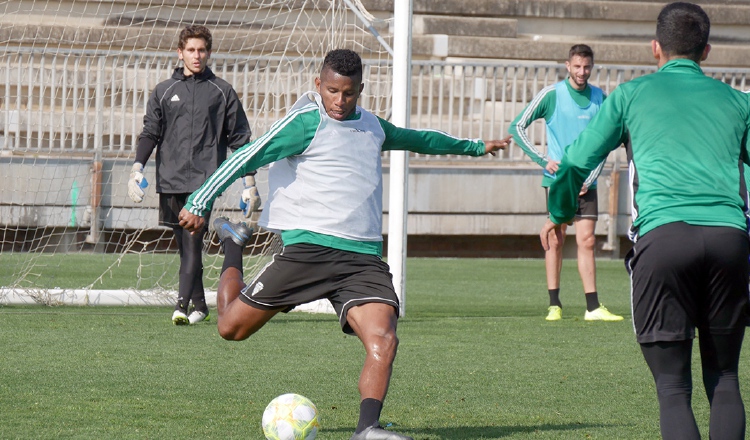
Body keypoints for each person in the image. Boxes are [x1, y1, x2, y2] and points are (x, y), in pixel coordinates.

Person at [178, 48, 511, 440]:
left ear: (361, 90)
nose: (339, 101)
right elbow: (248, 155)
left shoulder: (372, 127)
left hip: (362, 259)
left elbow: (419, 138)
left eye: (348, 93)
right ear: (318, 85)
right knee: (230, 328)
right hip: (308, 252)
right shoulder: (306, 122)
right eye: (332, 91)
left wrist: (474, 146)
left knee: (384, 338)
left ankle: (367, 429)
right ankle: (233, 244)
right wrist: (200, 199)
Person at [541, 3, 750, 439]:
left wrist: (560, 214)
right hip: (730, 239)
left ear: (655, 48)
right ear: (707, 51)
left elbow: (575, 163)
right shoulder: (737, 101)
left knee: (673, 389)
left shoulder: (629, 95)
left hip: (664, 239)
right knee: (726, 379)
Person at [127, 24, 260, 326]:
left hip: (205, 181)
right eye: (191, 50)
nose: (197, 55)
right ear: (180, 52)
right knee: (185, 245)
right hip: (170, 177)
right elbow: (150, 132)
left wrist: (248, 182)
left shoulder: (222, 91)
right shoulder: (164, 91)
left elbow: (239, 137)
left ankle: (181, 306)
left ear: (209, 53)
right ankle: (200, 305)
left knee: (191, 240)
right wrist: (137, 167)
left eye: (202, 50)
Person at [509, 44, 623, 322]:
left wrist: (590, 177)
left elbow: (608, 141)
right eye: (577, 66)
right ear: (567, 66)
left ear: (591, 67)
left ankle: (593, 307)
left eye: (587, 67)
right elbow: (517, 126)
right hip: (559, 181)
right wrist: (542, 159)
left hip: (588, 183)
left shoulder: (600, 98)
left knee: (587, 240)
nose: (582, 72)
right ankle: (554, 304)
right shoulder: (552, 95)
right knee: (556, 239)